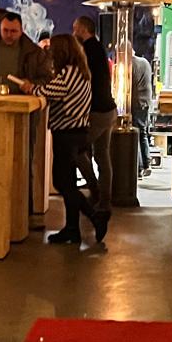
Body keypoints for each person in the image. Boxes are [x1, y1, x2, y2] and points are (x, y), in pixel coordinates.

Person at [40, 34, 108, 244]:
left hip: (67, 133)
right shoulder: (81, 71)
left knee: (61, 182)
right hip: (77, 132)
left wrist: (30, 88)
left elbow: (49, 91)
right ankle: (72, 229)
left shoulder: (69, 73)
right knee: (69, 182)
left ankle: (95, 216)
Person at [72, 15, 115, 212]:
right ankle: (104, 201)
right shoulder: (99, 48)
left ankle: (96, 191)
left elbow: (81, 81)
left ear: (82, 29)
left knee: (77, 150)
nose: (74, 33)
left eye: (75, 29)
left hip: (96, 112)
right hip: (109, 110)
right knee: (102, 155)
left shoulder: (87, 51)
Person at [130, 52, 155, 176]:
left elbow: (130, 85)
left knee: (136, 134)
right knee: (143, 133)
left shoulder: (131, 64)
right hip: (145, 102)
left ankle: (139, 167)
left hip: (136, 103)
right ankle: (147, 163)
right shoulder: (145, 62)